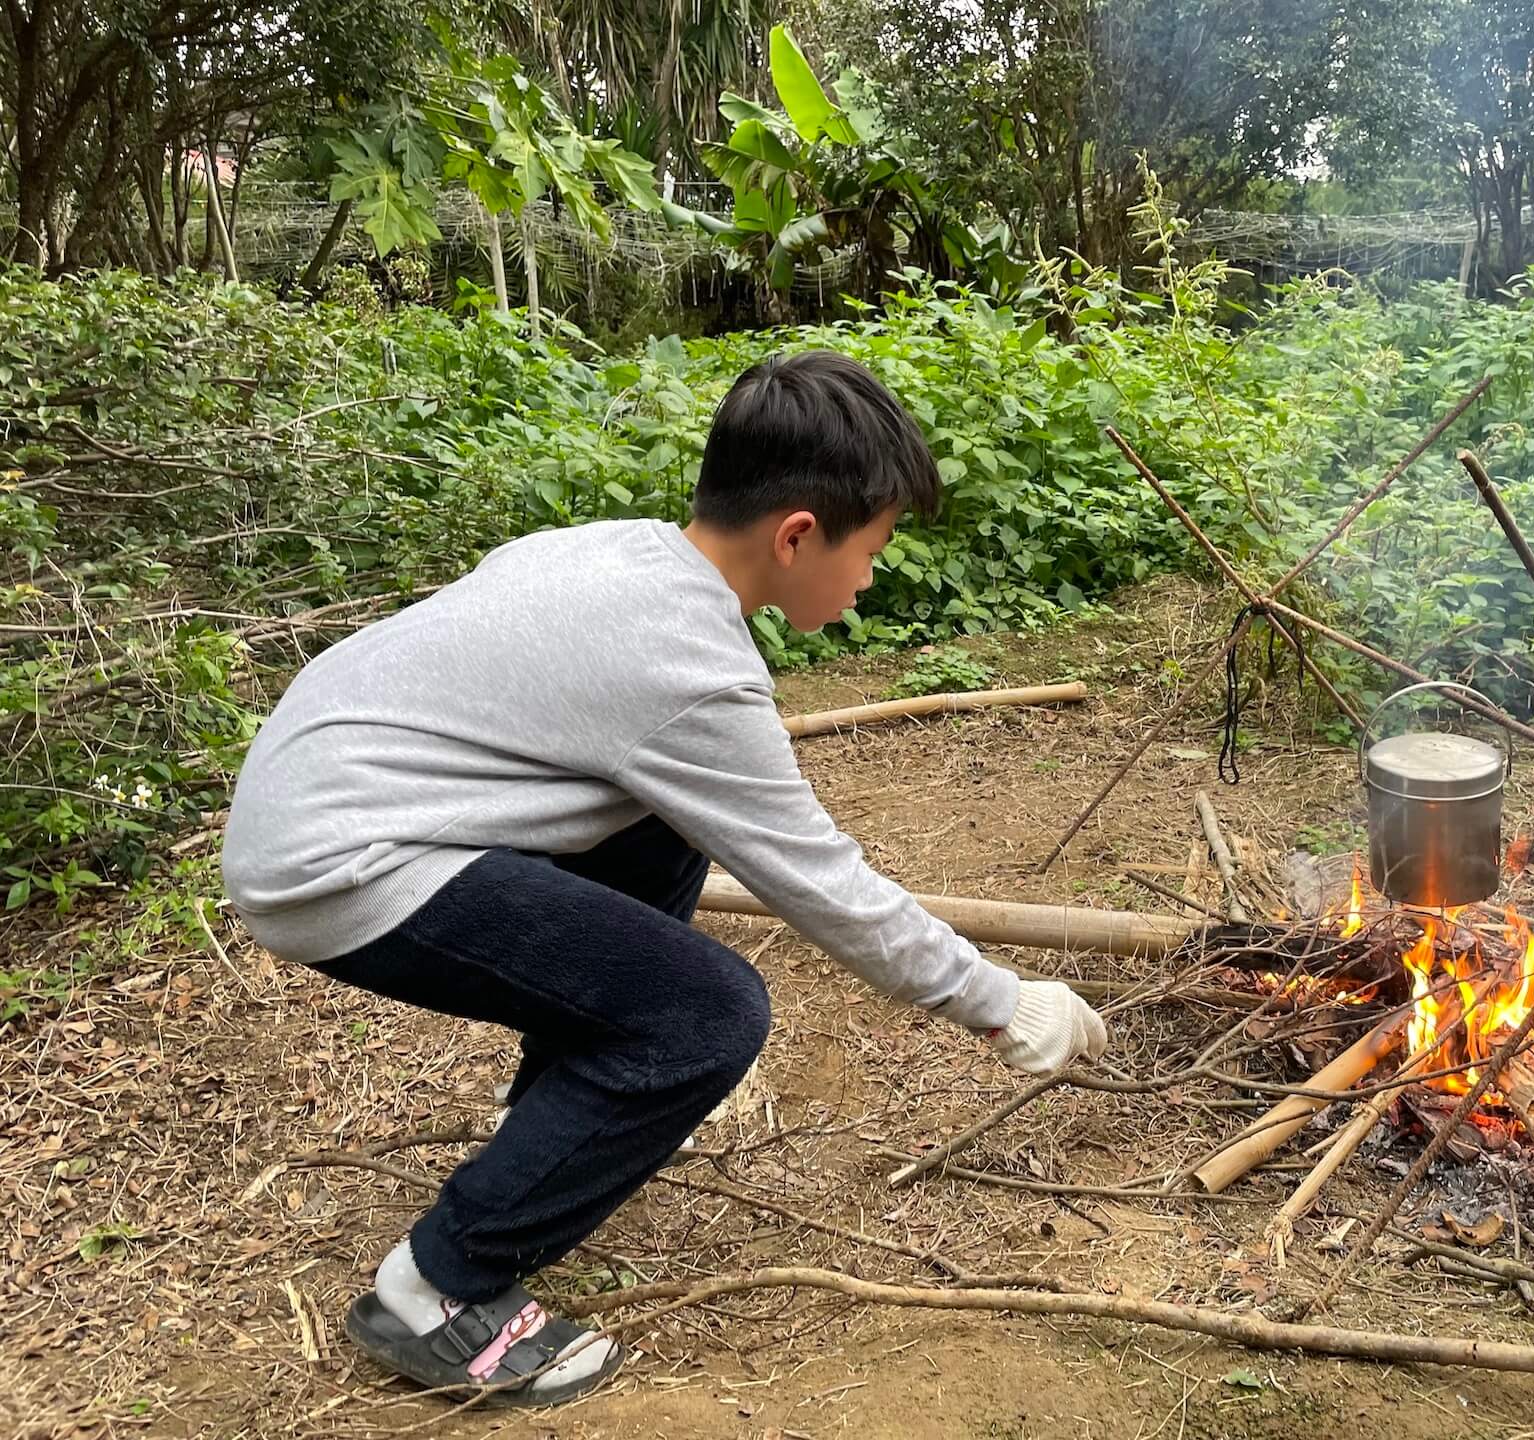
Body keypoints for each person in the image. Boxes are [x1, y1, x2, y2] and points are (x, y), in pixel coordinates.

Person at [220, 350, 1109, 1406]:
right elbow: (823, 882)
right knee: (707, 1016)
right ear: (796, 535)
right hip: (337, 863)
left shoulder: (617, 554)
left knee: (662, 828)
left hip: (329, 802)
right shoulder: (686, 671)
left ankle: (544, 1137)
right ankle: (438, 1289)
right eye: (871, 551)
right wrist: (1003, 1005)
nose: (869, 580)